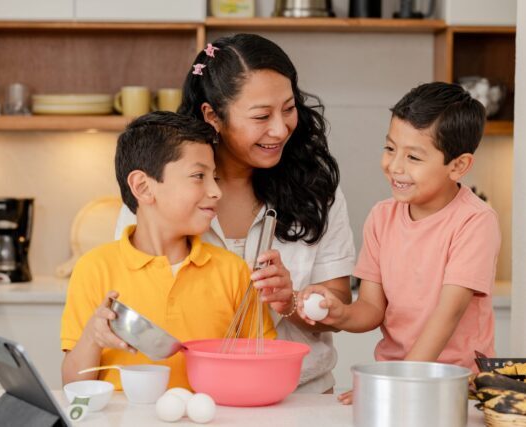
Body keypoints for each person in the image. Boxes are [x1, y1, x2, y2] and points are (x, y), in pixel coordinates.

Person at [115, 34, 356, 393]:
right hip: (190, 396)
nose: (280, 129)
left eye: (289, 109)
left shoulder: (316, 189)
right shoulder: (160, 189)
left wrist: (293, 301)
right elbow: (130, 300)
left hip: (299, 396)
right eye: (261, 116)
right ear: (212, 115)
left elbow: (339, 307)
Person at [297, 82, 501, 404]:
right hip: (397, 380)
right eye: (390, 148)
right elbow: (371, 309)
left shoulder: (475, 221)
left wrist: (397, 385)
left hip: (457, 387)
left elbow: (447, 315)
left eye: (414, 157)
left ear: (458, 166)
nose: (395, 166)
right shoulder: (382, 218)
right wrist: (339, 314)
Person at [61, 112, 276, 390]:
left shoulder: (232, 271)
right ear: (143, 187)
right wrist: (92, 337)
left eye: (215, 178)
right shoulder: (95, 269)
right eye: (199, 176)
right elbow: (71, 385)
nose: (215, 191)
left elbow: (263, 369)